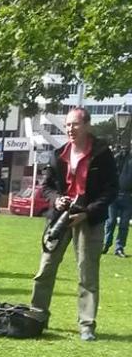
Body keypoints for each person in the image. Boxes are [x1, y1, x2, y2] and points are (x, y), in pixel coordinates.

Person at [30, 107, 118, 341]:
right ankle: (37, 316)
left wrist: (87, 213)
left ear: (87, 126)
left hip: (88, 218)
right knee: (45, 268)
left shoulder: (102, 154)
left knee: (87, 274)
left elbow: (111, 190)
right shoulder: (59, 154)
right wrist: (55, 199)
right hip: (60, 217)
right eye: (68, 125)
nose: (70, 129)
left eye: (75, 124)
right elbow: (46, 186)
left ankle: (86, 325)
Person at [102, 146, 132, 258]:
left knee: (124, 224)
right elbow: (111, 166)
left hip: (129, 196)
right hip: (115, 194)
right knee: (110, 221)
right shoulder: (123, 156)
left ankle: (119, 248)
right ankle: (106, 244)